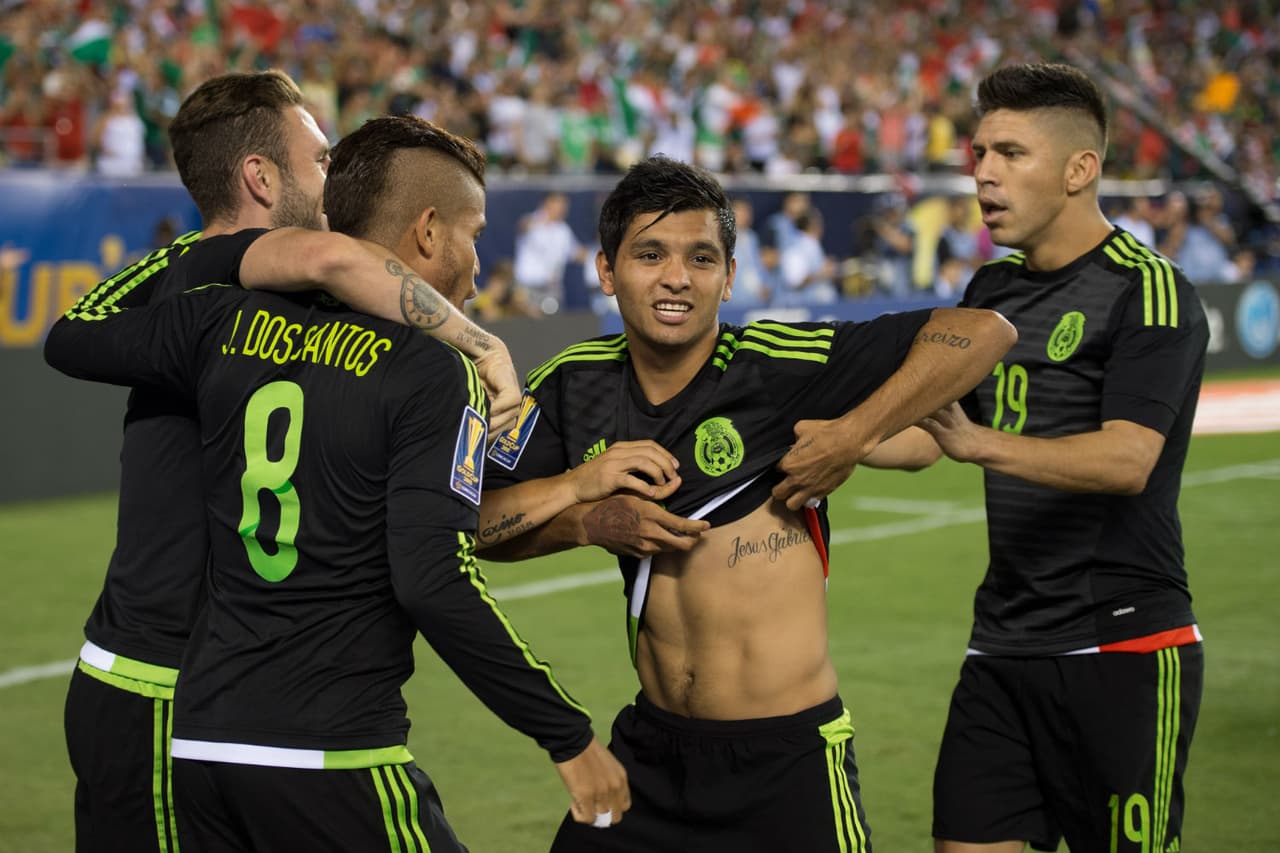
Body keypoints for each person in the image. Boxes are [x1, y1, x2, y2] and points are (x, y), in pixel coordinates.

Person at [46, 114, 630, 852]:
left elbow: (76, 334)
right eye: (474, 235)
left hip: (199, 745)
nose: (479, 267)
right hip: (331, 749)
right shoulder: (433, 370)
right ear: (427, 232)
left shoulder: (220, 320)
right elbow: (433, 579)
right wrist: (568, 735)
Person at [478, 155, 1016, 852]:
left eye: (702, 258)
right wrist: (584, 511)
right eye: (650, 254)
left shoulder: (775, 365)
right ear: (607, 271)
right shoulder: (573, 384)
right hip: (652, 753)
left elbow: (984, 331)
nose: (677, 277)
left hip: (786, 762)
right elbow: (472, 526)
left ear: (729, 277)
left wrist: (852, 436)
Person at [902, 63, 1209, 853]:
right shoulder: (989, 289)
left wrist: (978, 444)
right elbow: (928, 433)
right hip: (1002, 643)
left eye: (1010, 153)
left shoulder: (1149, 290)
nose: (984, 173)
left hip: (1122, 645)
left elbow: (1128, 459)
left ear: (1080, 170)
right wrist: (824, 439)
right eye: (980, 153)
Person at [513, 190, 589, 314]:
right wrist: (542, 219)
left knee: (553, 324)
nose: (564, 208)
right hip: (528, 287)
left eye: (565, 205)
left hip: (552, 289)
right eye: (560, 204)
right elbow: (523, 225)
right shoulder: (531, 222)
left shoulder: (564, 230)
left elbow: (578, 254)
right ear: (548, 203)